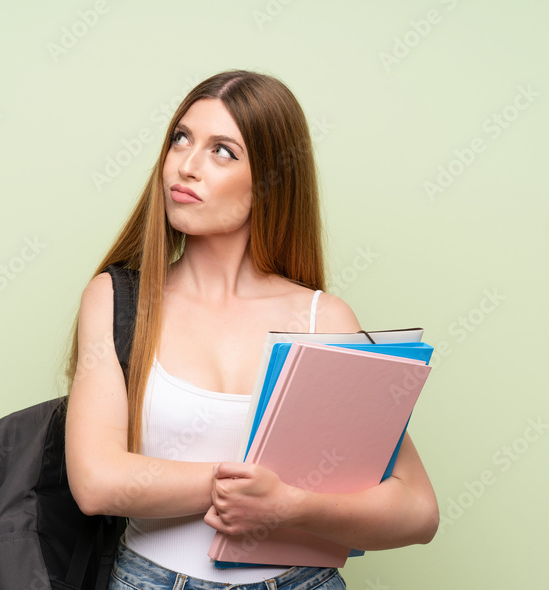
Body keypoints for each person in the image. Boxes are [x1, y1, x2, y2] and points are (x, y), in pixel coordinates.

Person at [63, 69, 439, 590]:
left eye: (223, 151)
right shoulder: (116, 300)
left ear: (270, 181)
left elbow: (417, 508)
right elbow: (96, 482)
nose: (187, 166)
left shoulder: (323, 319)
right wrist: (243, 487)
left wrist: (290, 505)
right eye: (181, 139)